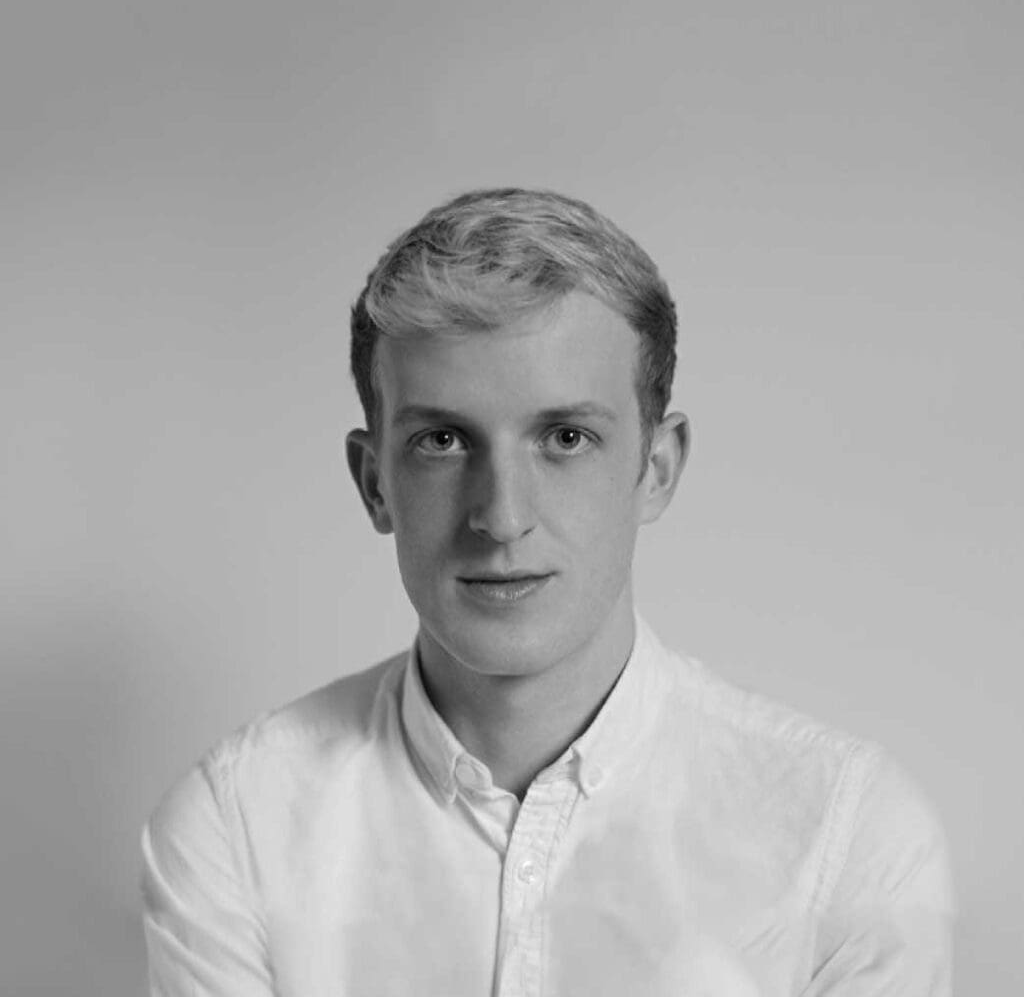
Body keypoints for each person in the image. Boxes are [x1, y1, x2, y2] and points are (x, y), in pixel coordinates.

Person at [141, 188, 954, 995]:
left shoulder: (846, 840)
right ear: (374, 482)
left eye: (566, 438)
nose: (502, 517)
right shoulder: (237, 826)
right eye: (443, 440)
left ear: (657, 468)